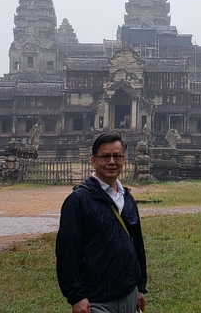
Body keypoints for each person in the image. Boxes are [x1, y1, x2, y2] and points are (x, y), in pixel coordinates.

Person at [56, 132, 147, 313]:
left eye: (117, 156)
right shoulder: (78, 200)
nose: (112, 162)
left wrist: (140, 287)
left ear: (124, 159)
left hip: (129, 294)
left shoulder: (127, 198)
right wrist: (76, 296)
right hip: (96, 300)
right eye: (105, 156)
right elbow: (67, 251)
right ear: (93, 160)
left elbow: (137, 245)